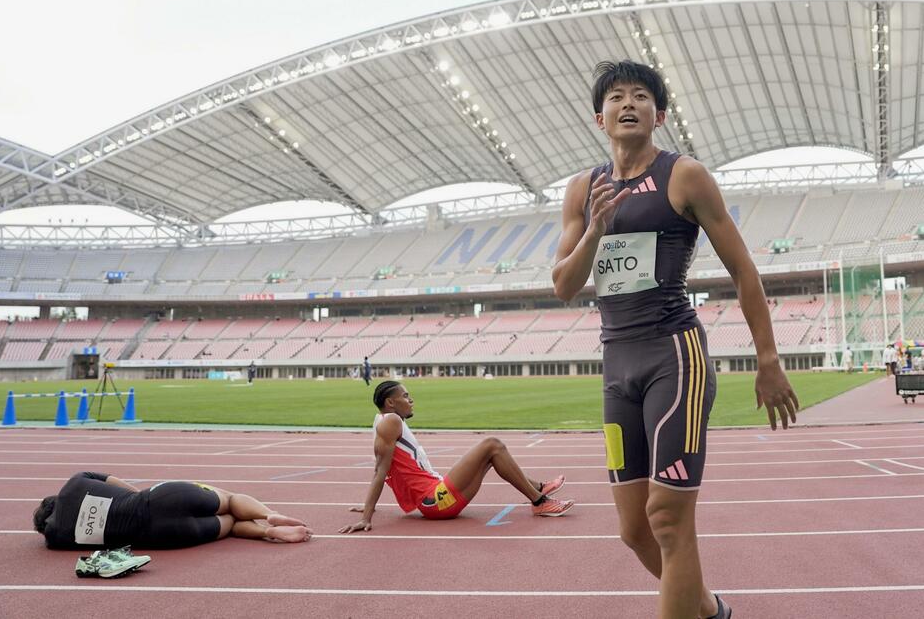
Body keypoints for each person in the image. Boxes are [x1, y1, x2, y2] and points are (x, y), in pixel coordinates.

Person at [552, 60, 799, 619]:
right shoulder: (581, 189)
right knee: (635, 529)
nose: (629, 104)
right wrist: (594, 228)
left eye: (641, 96)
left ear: (658, 114)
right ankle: (709, 610)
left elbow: (745, 271)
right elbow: (565, 284)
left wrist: (768, 359)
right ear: (600, 117)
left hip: (674, 355)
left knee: (667, 517)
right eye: (616, 97)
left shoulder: (683, 175)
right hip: (617, 365)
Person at [339, 381, 573, 533]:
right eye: (406, 396)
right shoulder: (391, 421)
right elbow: (381, 471)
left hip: (436, 497)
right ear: (390, 402)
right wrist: (367, 516)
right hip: (435, 501)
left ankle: (539, 489)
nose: (411, 400)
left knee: (492, 454)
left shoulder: (381, 421)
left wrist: (368, 505)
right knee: (492, 444)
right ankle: (540, 503)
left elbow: (388, 469)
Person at [33, 472, 312, 550]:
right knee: (230, 500)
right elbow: (114, 481)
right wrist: (136, 499)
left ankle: (270, 532)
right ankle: (267, 516)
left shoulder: (57, 538)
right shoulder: (73, 484)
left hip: (164, 536)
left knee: (228, 524)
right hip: (162, 499)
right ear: (54, 501)